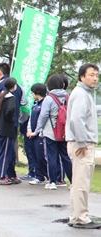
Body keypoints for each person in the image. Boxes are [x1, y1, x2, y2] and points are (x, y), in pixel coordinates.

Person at [66, 63, 101, 229]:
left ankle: (77, 216)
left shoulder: (85, 94)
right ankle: (80, 218)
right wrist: (81, 141)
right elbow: (76, 119)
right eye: (91, 75)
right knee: (81, 182)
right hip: (82, 144)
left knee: (80, 181)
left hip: (82, 142)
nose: (95, 78)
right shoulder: (81, 93)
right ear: (82, 77)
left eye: (96, 75)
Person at [33, 75, 72, 190]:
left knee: (51, 157)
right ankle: (72, 181)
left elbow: (44, 115)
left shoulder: (49, 98)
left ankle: (52, 181)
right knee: (65, 157)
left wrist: (38, 130)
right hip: (64, 132)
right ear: (62, 84)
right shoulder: (67, 96)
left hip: (51, 132)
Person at [0, 77, 17, 185]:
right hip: (7, 129)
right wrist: (11, 120)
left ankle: (9, 175)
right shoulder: (11, 98)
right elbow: (10, 111)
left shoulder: (1, 95)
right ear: (13, 86)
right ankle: (1, 176)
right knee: (6, 153)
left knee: (3, 152)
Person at [26, 83, 48, 185]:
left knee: (41, 156)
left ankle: (47, 175)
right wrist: (29, 130)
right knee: (34, 155)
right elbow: (31, 119)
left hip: (39, 135)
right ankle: (39, 176)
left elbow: (41, 120)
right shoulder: (35, 104)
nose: (32, 94)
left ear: (37, 93)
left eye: (32, 92)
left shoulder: (44, 104)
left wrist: (35, 132)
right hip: (32, 134)